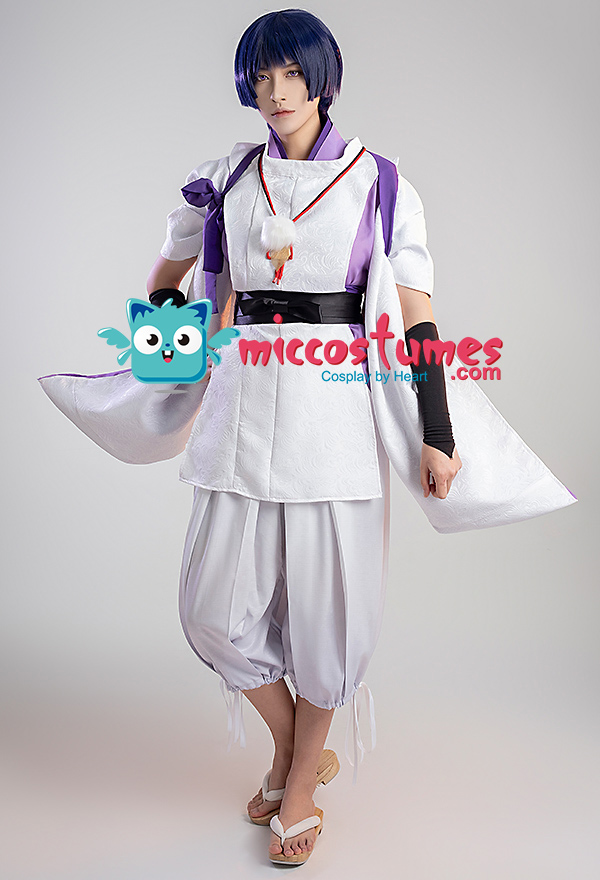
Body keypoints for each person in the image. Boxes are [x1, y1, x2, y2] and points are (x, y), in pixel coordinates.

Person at [37, 8, 576, 867]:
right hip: (239, 407)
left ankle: (296, 786)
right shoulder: (223, 178)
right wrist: (174, 335)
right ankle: (296, 750)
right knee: (210, 611)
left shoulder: (380, 184)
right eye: (260, 76)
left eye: (291, 73)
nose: (276, 92)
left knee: (330, 617)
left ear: (323, 79)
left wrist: (437, 433)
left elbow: (417, 317)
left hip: (335, 416)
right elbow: (170, 279)